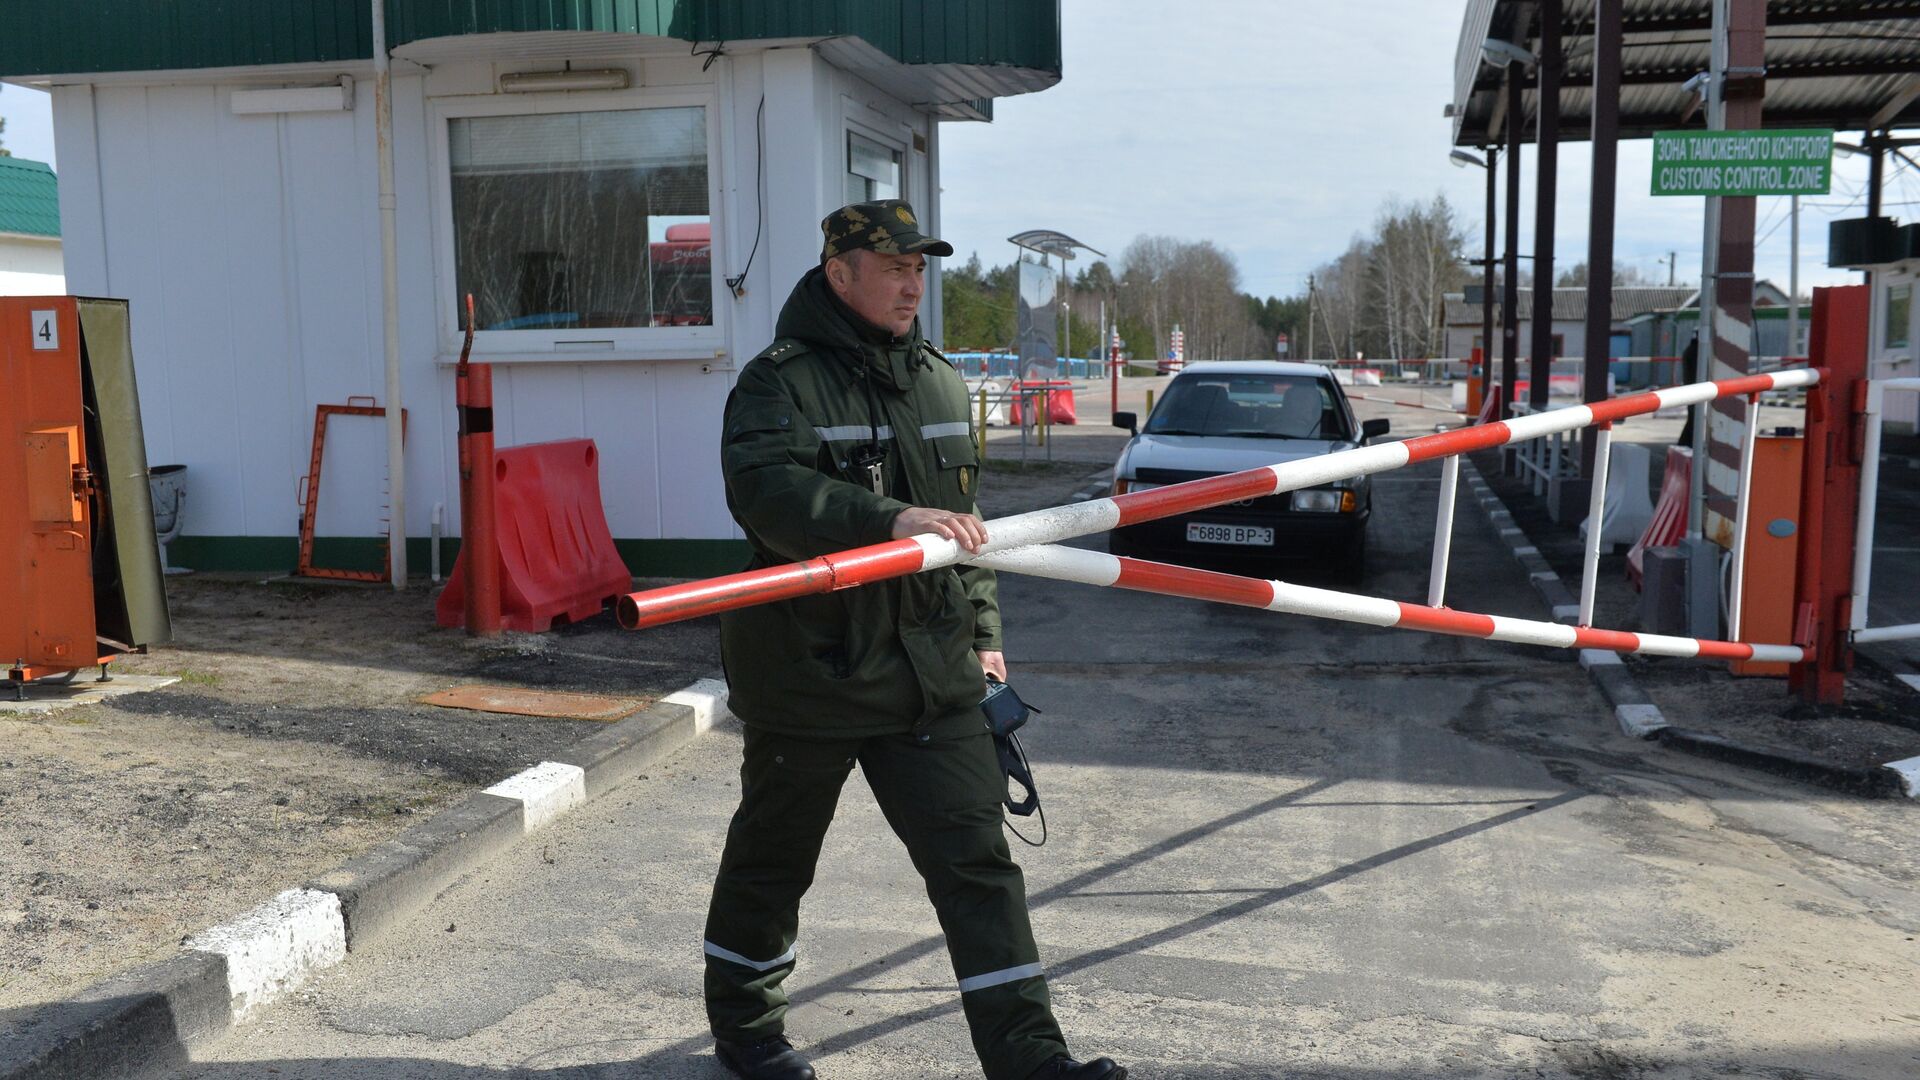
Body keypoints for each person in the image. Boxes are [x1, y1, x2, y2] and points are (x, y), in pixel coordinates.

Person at [703, 200, 1126, 1080]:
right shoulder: (775, 383)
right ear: (839, 272)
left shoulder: (937, 379)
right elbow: (765, 493)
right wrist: (887, 518)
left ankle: (1030, 1059)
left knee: (979, 867)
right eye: (894, 267)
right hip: (809, 671)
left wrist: (983, 632)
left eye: (920, 267)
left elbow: (963, 524)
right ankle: (748, 1032)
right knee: (773, 864)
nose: (912, 283)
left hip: (931, 673)